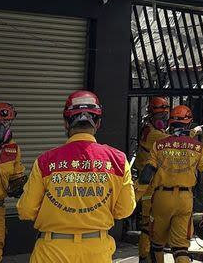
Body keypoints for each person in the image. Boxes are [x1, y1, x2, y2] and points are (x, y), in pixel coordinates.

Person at [17, 90, 136, 263]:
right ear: (98, 123)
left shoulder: (45, 161)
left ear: (66, 123)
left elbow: (26, 210)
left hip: (52, 251)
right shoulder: (117, 160)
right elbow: (125, 209)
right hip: (97, 251)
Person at [138, 105, 203, 263]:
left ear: (170, 122)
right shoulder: (198, 147)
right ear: (188, 123)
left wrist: (134, 197)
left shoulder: (159, 145)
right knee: (180, 249)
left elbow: (147, 175)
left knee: (156, 245)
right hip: (185, 200)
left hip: (161, 199)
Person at [133, 97, 170, 262]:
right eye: (160, 117)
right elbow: (171, 142)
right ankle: (145, 257)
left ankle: (149, 256)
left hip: (153, 182)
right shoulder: (153, 133)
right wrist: (189, 133)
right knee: (148, 226)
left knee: (153, 225)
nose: (163, 120)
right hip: (147, 183)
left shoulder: (150, 129)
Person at [0, 103, 25, 263]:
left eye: (6, 123)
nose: (1, 127)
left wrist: (21, 185)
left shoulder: (13, 149)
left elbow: (15, 177)